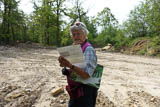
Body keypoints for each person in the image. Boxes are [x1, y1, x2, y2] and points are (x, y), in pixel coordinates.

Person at [58, 21, 98, 107]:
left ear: (85, 34)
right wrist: (63, 62)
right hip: (75, 93)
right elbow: (67, 66)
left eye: (78, 34)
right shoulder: (75, 48)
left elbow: (87, 75)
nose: (76, 37)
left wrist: (70, 66)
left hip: (85, 95)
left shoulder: (88, 49)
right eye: (74, 34)